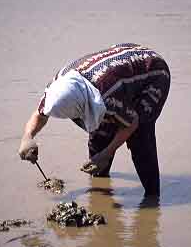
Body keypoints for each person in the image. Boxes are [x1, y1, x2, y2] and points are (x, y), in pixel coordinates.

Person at [18, 43, 170, 196]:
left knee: (139, 138)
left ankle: (152, 197)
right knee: (99, 137)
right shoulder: (57, 87)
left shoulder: (107, 98)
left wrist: (107, 153)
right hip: (118, 75)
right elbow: (40, 115)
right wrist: (27, 137)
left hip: (153, 73)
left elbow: (132, 123)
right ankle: (101, 191)